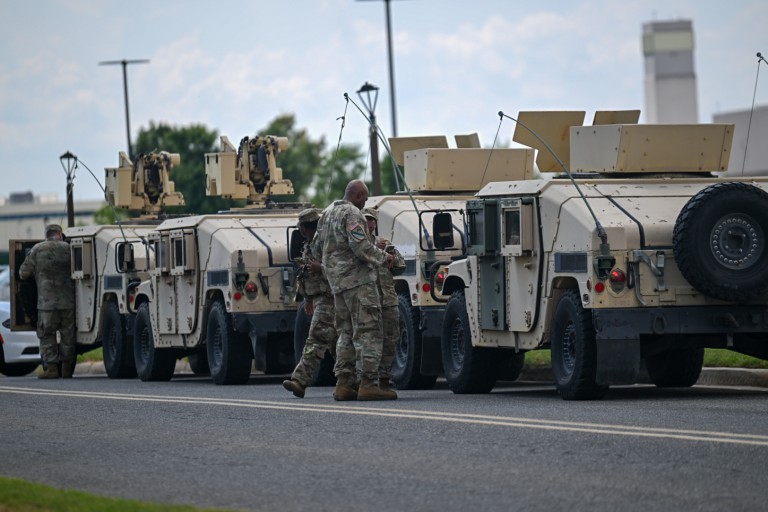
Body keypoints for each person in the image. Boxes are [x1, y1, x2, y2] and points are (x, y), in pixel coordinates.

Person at [314, 179, 394, 401]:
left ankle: (343, 384)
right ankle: (368, 384)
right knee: (369, 331)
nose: (365, 202)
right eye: (365, 198)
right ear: (358, 196)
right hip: (358, 283)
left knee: (346, 333)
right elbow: (359, 245)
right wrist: (383, 257)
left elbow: (316, 248)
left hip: (337, 285)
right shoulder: (352, 213)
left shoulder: (327, 215)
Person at [282, 208, 337, 398]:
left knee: (316, 338)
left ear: (305, 228)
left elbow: (338, 267)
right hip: (320, 297)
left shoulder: (326, 243)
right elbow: (305, 273)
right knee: (337, 344)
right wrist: (307, 297)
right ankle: (351, 381)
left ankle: (300, 380)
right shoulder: (310, 244)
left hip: (330, 297)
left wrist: (319, 267)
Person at [18, 224, 76, 379]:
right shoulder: (70, 248)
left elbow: (23, 273)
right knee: (68, 336)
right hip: (68, 302)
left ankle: (51, 369)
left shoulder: (37, 249)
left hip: (46, 304)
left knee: (47, 335)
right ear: (60, 234)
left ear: (47, 235)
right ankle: (66, 369)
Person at [362, 207, 405, 399]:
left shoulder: (385, 243)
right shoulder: (356, 246)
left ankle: (384, 381)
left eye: (371, 220)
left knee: (390, 339)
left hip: (387, 300)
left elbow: (400, 266)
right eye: (365, 220)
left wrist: (390, 258)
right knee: (368, 341)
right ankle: (364, 381)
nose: (369, 224)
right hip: (367, 301)